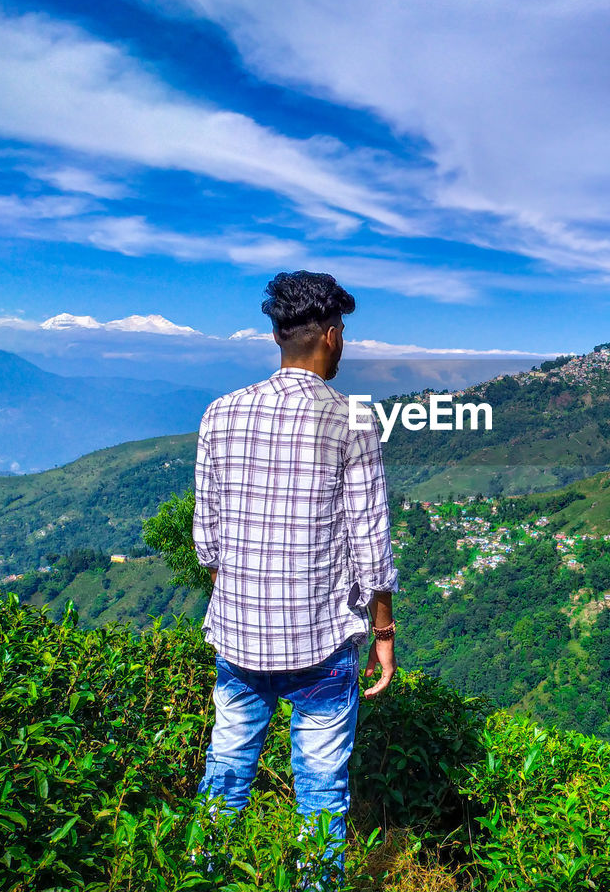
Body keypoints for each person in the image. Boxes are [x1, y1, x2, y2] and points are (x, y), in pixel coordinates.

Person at [191, 270, 398, 881]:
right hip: (323, 639)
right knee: (323, 792)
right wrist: (382, 633)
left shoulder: (220, 413)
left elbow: (207, 541)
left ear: (280, 335)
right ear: (332, 336)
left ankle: (202, 875)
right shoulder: (354, 420)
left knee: (225, 772)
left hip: (240, 635)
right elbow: (370, 539)